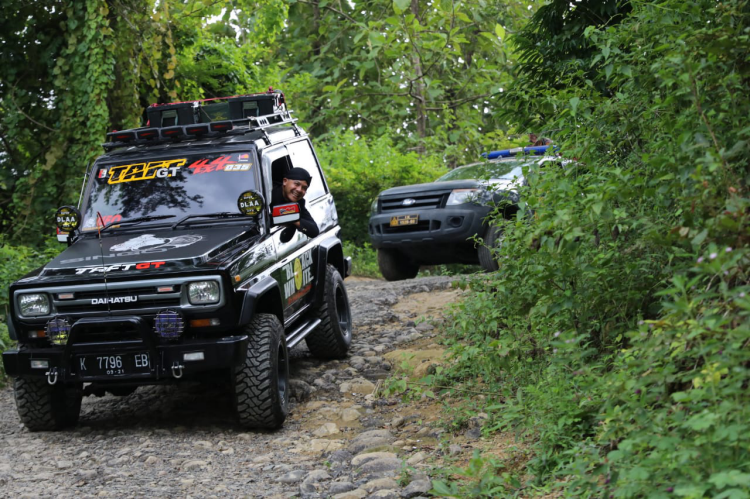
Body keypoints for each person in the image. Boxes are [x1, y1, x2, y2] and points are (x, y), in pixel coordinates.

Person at [271, 167, 320, 242]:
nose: (299, 190)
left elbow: (314, 231)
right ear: (285, 181)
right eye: (296, 184)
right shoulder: (269, 195)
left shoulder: (298, 203)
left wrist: (293, 218)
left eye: (304, 188)